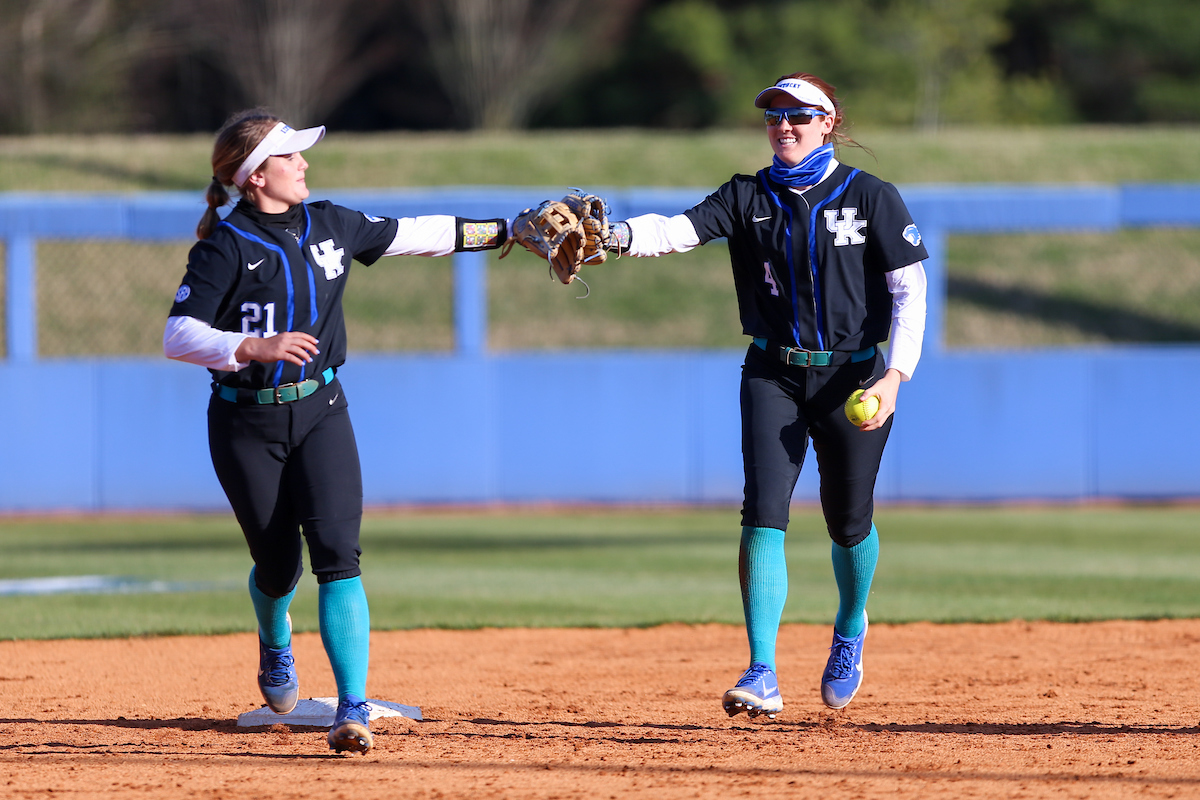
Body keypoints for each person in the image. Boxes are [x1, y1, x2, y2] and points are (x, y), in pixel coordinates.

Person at [164, 109, 510, 753]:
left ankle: (352, 707)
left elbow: (415, 234)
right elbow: (178, 335)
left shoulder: (328, 223)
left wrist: (508, 231)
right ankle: (275, 641)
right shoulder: (225, 246)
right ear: (256, 175)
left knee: (338, 559)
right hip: (245, 421)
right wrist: (254, 346)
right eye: (289, 157)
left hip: (322, 408)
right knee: (277, 563)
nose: (303, 164)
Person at [600, 73, 928, 717]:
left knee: (848, 519)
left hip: (853, 378)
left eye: (799, 115)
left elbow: (909, 292)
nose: (784, 124)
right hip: (772, 372)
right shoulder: (746, 194)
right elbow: (677, 231)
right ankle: (760, 670)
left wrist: (895, 378)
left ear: (827, 123)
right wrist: (613, 237)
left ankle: (850, 627)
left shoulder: (870, 196)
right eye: (774, 114)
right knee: (763, 511)